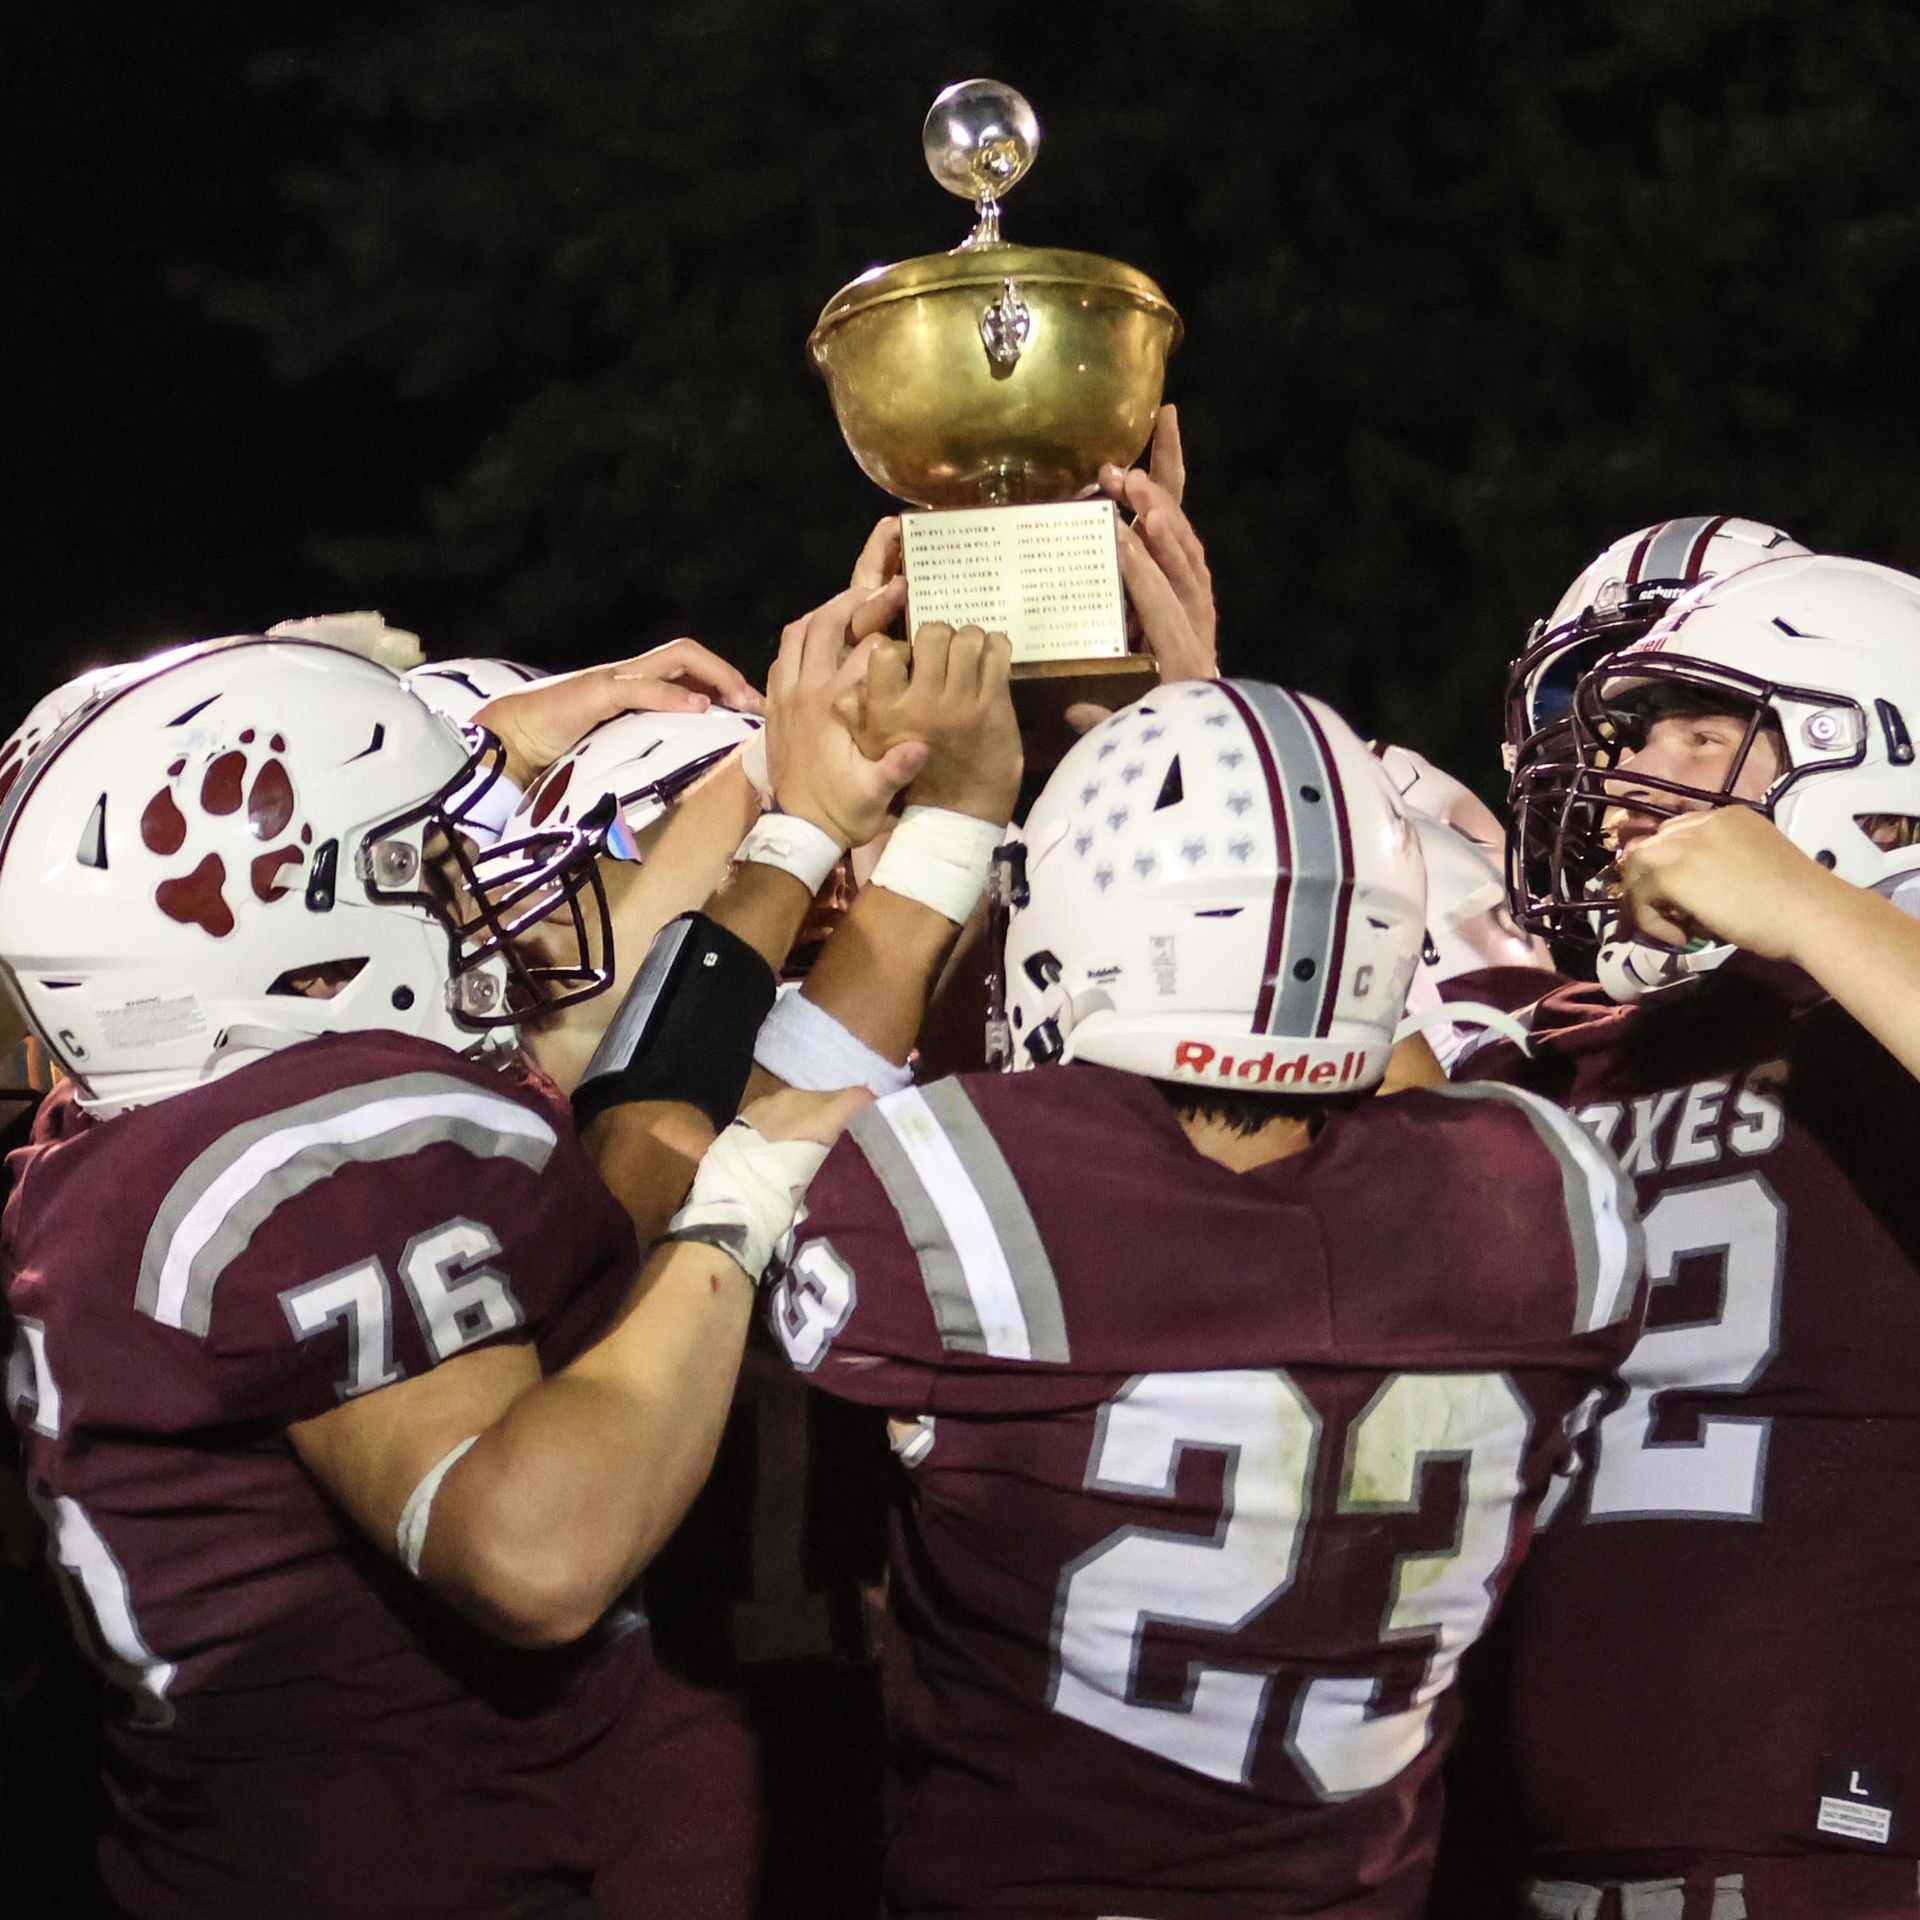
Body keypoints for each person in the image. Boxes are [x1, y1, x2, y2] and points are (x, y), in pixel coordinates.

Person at [0, 624, 915, 1920]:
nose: (485, 893)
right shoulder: (323, 1154)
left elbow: (585, 1115)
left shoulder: (130, 1139)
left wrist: (782, 799)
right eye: (425, 865)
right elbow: (536, 1552)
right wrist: (741, 1201)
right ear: (293, 938)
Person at [769, 677, 1648, 1919]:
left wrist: (945, 825)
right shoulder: (1545, 1194)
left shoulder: (966, 1182)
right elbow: (1370, 1129)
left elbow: (720, 1145)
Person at [1471, 550, 1920, 1918]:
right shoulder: (1588, 1050)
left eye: (1703, 728)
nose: (1630, 775)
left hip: (1837, 1821)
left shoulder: (1869, 1022)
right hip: (1550, 1810)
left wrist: (1807, 910)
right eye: (1628, 733)